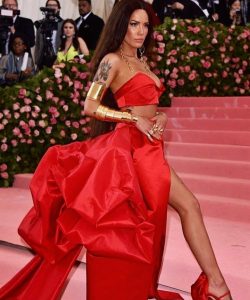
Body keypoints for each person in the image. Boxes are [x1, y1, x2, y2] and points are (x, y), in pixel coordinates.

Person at [0, 1, 233, 299]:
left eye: (145, 25)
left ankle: (186, 285)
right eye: (134, 24)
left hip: (150, 146)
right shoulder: (112, 60)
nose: (140, 31)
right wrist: (132, 117)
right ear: (121, 26)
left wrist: (158, 117)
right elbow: (90, 105)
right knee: (186, 205)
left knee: (163, 216)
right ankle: (216, 284)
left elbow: (150, 105)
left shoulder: (143, 61)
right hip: (130, 149)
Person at [34, 0, 63, 70]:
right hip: (42, 59)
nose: (51, 8)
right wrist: (37, 59)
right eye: (49, 5)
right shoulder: (41, 24)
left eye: (54, 6)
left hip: (57, 58)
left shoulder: (63, 24)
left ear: (58, 8)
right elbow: (37, 43)